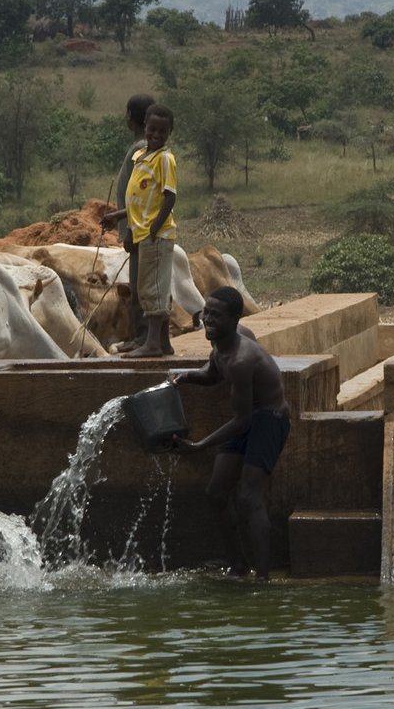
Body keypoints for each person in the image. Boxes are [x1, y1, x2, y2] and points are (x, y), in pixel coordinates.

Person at [169, 286, 289, 579]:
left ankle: (262, 579)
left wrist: (199, 445)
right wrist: (184, 377)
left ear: (235, 320)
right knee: (215, 494)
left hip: (270, 419)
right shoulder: (223, 343)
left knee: (249, 496)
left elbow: (242, 421)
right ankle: (238, 566)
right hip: (248, 418)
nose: (207, 321)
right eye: (206, 313)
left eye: (216, 316)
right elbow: (212, 373)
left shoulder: (240, 359)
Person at [106, 103, 178, 359]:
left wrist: (153, 228)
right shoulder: (141, 157)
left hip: (154, 235)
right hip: (142, 231)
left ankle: (153, 344)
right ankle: (162, 343)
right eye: (152, 129)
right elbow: (140, 199)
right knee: (150, 287)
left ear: (170, 133)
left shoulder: (165, 160)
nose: (156, 135)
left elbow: (169, 198)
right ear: (145, 126)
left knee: (152, 289)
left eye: (162, 131)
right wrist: (120, 216)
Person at [103, 93, 154, 351]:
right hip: (137, 226)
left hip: (139, 228)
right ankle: (140, 337)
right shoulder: (140, 148)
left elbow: (139, 195)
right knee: (138, 286)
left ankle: (143, 339)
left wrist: (129, 226)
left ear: (131, 118)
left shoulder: (140, 150)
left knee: (140, 287)